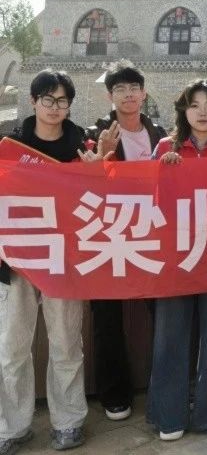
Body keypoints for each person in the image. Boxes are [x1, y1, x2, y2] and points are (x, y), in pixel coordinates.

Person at [0, 69, 100, 453]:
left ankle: (69, 421)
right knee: (11, 347)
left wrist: (97, 174)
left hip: (64, 262)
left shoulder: (82, 147)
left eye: (62, 101)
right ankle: (12, 426)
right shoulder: (9, 146)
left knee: (65, 343)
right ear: (34, 101)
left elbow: (99, 202)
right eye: (48, 99)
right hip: (16, 263)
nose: (55, 107)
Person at [147, 79, 207, 441]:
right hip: (175, 256)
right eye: (194, 105)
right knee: (169, 333)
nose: (202, 112)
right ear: (183, 111)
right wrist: (164, 173)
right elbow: (146, 202)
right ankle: (168, 413)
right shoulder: (163, 148)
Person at [84, 61, 168, 423]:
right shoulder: (95, 133)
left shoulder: (161, 133)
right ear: (110, 95)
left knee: (165, 313)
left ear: (144, 93)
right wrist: (102, 156)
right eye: (120, 89)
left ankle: (167, 386)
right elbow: (84, 185)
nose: (128, 94)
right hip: (109, 234)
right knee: (106, 316)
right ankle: (114, 394)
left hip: (151, 233)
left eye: (134, 88)